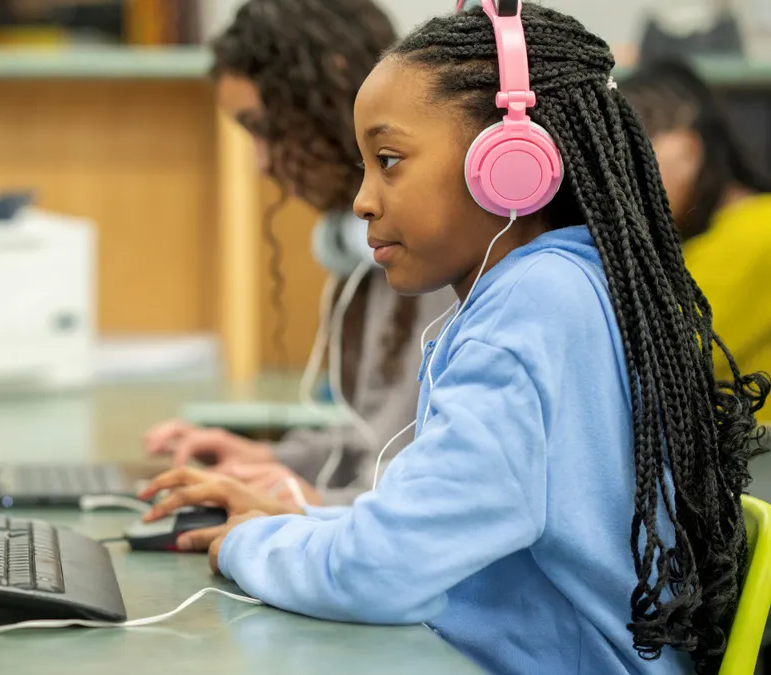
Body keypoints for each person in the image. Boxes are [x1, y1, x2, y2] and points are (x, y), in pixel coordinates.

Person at [138, 2, 769, 674]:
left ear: (510, 164)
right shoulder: (566, 283)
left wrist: (246, 543)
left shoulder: (530, 311)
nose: (363, 200)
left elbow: (385, 567)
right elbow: (431, 531)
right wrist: (294, 523)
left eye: (388, 160)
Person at [142, 0, 457, 506]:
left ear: (331, 91)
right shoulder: (369, 258)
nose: (262, 164)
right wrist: (277, 463)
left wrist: (300, 506)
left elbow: (436, 503)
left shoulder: (443, 255)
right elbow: (377, 441)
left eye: (263, 128)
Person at [620, 59, 771, 423]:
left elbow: (661, 365)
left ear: (687, 149)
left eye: (630, 155)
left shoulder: (757, 231)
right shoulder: (724, 235)